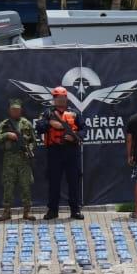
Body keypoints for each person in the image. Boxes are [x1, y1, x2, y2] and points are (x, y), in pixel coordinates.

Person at [37, 86, 85, 220]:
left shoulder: (75, 113)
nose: (60, 100)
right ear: (54, 99)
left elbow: (84, 130)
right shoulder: (47, 113)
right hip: (54, 152)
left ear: (66, 98)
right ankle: (53, 211)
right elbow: (39, 128)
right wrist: (50, 124)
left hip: (71, 151)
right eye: (57, 97)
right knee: (54, 182)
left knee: (74, 182)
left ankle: (75, 210)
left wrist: (75, 137)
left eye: (63, 97)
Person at [0, 99, 37, 221]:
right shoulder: (4, 124)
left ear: (21, 110)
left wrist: (29, 148)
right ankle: (7, 212)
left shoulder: (26, 124)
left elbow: (34, 141)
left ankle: (27, 212)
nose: (15, 112)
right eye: (13, 109)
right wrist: (7, 135)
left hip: (24, 160)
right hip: (10, 160)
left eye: (17, 110)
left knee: (26, 186)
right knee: (8, 186)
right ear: (9, 110)